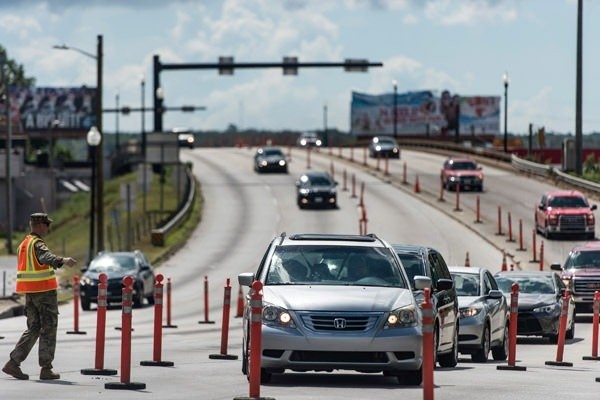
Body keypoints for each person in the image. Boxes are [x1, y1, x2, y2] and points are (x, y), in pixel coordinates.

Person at [2, 213, 77, 381]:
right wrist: (63, 260)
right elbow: (46, 257)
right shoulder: (37, 243)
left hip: (30, 293)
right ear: (39, 225)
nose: (48, 228)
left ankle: (13, 363)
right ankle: (46, 368)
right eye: (46, 224)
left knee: (34, 328)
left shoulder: (24, 243)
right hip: (43, 292)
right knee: (49, 328)